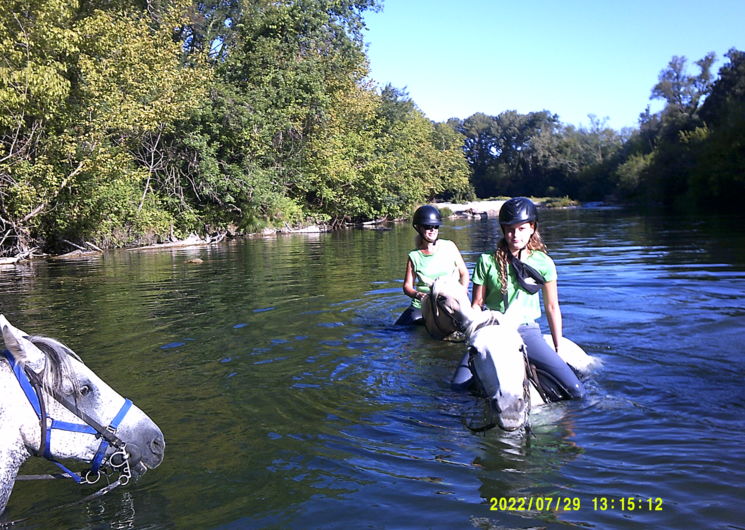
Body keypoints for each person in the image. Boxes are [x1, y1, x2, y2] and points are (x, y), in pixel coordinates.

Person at [468, 197, 585, 400]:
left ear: (532, 228)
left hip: (526, 332)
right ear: (503, 230)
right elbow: (477, 304)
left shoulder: (544, 263)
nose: (515, 235)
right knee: (457, 387)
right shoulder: (486, 260)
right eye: (510, 229)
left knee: (575, 389)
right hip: (493, 330)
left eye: (521, 229)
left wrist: (559, 347)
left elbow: (552, 307)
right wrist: (475, 338)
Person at [395, 205, 469, 326]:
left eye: (435, 226)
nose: (432, 230)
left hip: (451, 299)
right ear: (419, 228)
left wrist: (463, 291)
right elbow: (407, 286)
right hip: (423, 304)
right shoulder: (414, 256)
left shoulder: (449, 246)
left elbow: (464, 273)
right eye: (428, 227)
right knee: (399, 329)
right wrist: (419, 295)